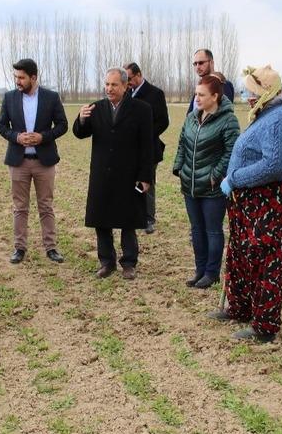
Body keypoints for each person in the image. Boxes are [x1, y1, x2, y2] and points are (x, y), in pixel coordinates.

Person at [211, 65, 282, 343]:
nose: (246, 96)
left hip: (273, 203)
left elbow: (274, 165)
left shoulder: (279, 120)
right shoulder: (266, 115)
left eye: (250, 91)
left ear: (266, 92)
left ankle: (265, 326)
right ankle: (239, 308)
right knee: (241, 257)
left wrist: (235, 178)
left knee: (267, 263)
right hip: (251, 203)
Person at [73, 68, 154, 280]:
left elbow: (148, 145)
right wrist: (81, 119)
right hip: (102, 174)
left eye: (114, 85)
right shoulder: (95, 108)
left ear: (126, 86)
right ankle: (106, 262)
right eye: (106, 84)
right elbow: (81, 133)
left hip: (128, 174)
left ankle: (129, 263)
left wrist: (145, 177)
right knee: (102, 220)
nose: (109, 88)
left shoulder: (141, 109)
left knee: (128, 221)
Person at [0, 58, 68, 264]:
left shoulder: (51, 97)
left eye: (21, 77)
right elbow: (1, 126)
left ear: (33, 77)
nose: (17, 81)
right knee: (20, 207)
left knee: (46, 206)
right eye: (16, 77)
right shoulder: (9, 98)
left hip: (44, 162)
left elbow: (62, 125)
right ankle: (19, 248)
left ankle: (51, 247)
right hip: (18, 162)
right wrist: (17, 137)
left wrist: (43, 137)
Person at [173, 75, 240, 289]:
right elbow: (182, 142)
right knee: (196, 230)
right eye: (196, 94)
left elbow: (232, 151)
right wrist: (179, 168)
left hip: (212, 188)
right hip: (190, 184)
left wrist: (215, 175)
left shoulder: (228, 120)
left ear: (215, 96)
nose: (197, 98)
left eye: (202, 95)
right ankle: (199, 270)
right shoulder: (192, 117)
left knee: (212, 230)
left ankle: (212, 273)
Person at [124, 62, 169, 234]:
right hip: (128, 149)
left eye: (129, 78)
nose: (127, 82)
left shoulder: (155, 93)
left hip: (149, 148)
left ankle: (149, 218)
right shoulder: (126, 93)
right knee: (129, 181)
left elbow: (163, 121)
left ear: (138, 74)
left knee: (147, 182)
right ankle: (134, 214)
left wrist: (146, 135)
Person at [187, 49, 235, 115]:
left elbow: (224, 116)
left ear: (211, 63)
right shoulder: (200, 87)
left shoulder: (223, 85)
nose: (197, 67)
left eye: (201, 63)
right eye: (195, 64)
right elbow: (189, 115)